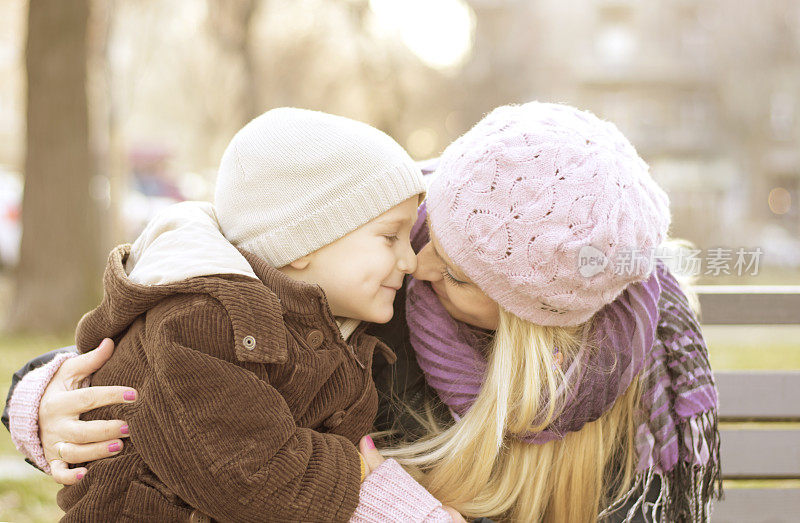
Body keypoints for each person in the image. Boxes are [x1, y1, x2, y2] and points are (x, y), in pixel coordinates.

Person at [5, 102, 721, 522]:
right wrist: (42, 397)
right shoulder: (367, 260)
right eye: (426, 235)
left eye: (460, 274)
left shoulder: (628, 383)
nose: (421, 265)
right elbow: (206, 271)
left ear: (531, 322)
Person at [5, 106, 464, 522]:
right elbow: (251, 476)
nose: (411, 262)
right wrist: (396, 504)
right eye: (390, 238)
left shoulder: (331, 328)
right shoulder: (202, 321)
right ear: (304, 241)